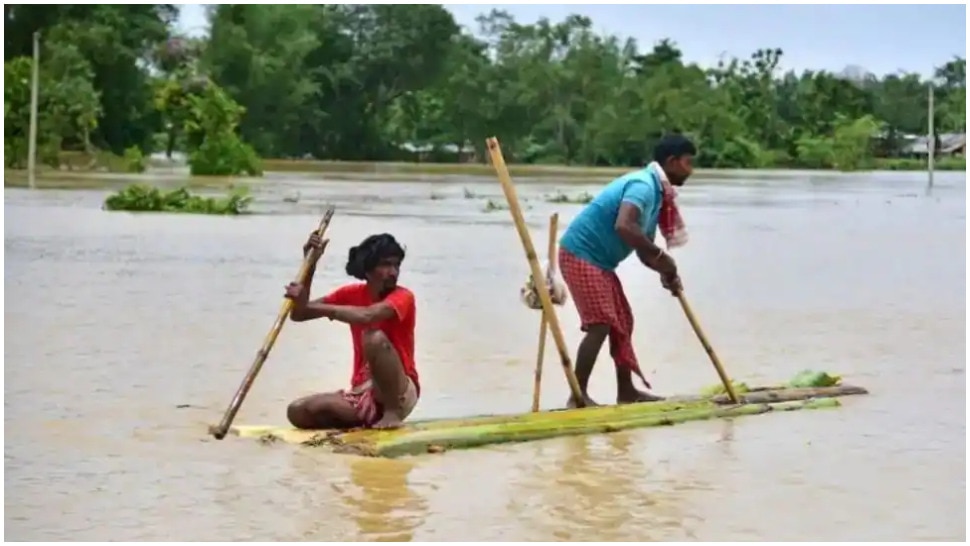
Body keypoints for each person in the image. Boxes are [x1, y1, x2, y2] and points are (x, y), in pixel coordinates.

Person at [557, 134, 695, 408]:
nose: (690, 170)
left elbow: (645, 249)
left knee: (623, 321)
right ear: (671, 161)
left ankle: (626, 392)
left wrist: (666, 272)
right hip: (580, 254)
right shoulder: (643, 186)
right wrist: (662, 257)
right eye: (687, 163)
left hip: (601, 262)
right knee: (601, 323)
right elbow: (624, 226)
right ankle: (577, 396)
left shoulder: (656, 194)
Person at [283, 232, 419, 430]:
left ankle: (391, 414)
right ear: (368, 269)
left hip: (401, 392)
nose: (393, 272)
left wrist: (314, 307)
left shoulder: (403, 296)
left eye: (396, 265)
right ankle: (362, 421)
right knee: (298, 411)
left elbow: (368, 316)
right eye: (386, 265)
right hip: (363, 393)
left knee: (373, 338)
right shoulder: (350, 294)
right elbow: (300, 313)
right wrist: (310, 264)